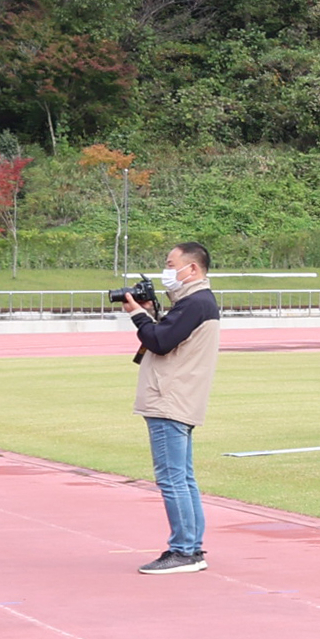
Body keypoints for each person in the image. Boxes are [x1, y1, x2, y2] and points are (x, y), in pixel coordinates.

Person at [125, 242, 222, 574]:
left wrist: (138, 315)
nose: (167, 271)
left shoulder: (195, 303)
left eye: (171, 264)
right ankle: (191, 548)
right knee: (183, 477)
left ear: (192, 269)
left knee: (172, 478)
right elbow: (167, 334)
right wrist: (151, 315)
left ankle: (183, 549)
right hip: (180, 398)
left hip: (170, 399)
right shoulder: (196, 303)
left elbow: (159, 341)